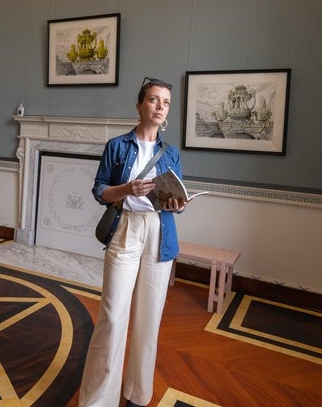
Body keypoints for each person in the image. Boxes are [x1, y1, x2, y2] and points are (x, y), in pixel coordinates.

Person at [78, 77, 185, 407]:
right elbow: (100, 191)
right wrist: (127, 189)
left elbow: (174, 197)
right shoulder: (117, 147)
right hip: (124, 229)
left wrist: (176, 203)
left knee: (149, 319)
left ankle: (137, 396)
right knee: (112, 317)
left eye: (165, 102)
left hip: (159, 233)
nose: (159, 107)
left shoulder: (172, 153)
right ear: (140, 105)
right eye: (153, 100)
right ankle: (99, 400)